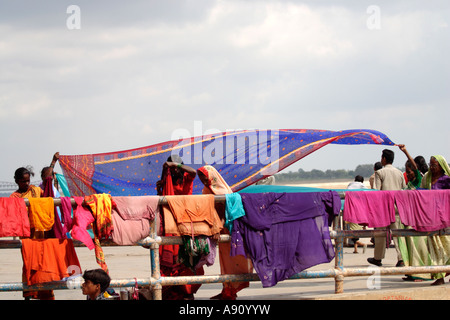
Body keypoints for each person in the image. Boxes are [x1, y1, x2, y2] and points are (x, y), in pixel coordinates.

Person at [197, 165, 253, 300]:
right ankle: (226, 290)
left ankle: (230, 292)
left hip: (228, 229)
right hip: (217, 228)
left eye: (205, 178)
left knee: (233, 261)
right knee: (224, 262)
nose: (204, 182)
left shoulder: (223, 191)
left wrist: (218, 227)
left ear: (212, 177)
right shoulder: (206, 190)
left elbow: (224, 213)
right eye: (201, 179)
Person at [156, 155, 203, 300]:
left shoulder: (187, 177)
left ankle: (186, 291)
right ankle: (171, 291)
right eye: (172, 168)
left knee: (186, 257)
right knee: (169, 258)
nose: (174, 170)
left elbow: (195, 172)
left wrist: (176, 165)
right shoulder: (166, 181)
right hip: (169, 222)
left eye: (176, 167)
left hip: (184, 221)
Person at [396, 145, 432, 281]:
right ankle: (411, 272)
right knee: (408, 245)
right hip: (408, 218)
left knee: (419, 247)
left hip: (418, 219)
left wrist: (405, 151)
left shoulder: (418, 180)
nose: (409, 173)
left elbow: (415, 168)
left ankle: (422, 274)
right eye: (407, 171)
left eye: (409, 171)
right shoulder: (409, 184)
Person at [368, 149, 406, 267]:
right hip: (396, 207)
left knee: (380, 233)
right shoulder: (399, 173)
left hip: (383, 208)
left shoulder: (380, 173)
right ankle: (401, 258)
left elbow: (376, 191)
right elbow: (403, 189)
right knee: (398, 234)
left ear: (384, 158)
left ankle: (378, 258)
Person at [420, 155, 450, 285]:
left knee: (447, 248)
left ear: (441, 166)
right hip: (431, 219)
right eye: (430, 164)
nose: (431, 167)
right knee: (434, 248)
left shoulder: (446, 180)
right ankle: (439, 277)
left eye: (434, 165)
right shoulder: (427, 179)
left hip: (445, 219)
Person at [345, 175, 367, 253]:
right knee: (355, 230)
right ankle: (356, 248)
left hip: (350, 209)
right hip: (359, 209)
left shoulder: (350, 185)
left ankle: (359, 245)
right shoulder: (362, 186)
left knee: (352, 230)